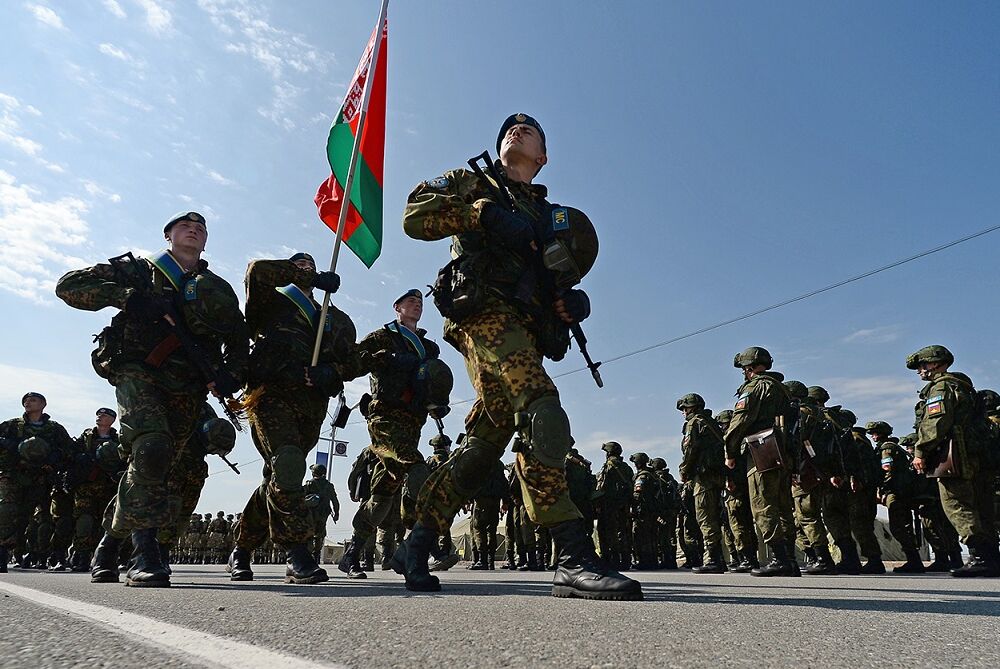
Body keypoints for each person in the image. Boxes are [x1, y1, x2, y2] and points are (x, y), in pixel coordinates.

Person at [56, 211, 248, 587]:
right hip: (139, 371)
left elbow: (237, 334)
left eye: (201, 229)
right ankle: (144, 553)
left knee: (153, 467)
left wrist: (232, 374)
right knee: (152, 447)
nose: (193, 230)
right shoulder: (141, 270)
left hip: (188, 384)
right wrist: (127, 298)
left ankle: (109, 545)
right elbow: (69, 286)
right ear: (168, 235)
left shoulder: (216, 287)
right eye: (185, 226)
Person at [229, 252, 352, 584]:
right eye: (299, 265)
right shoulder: (272, 299)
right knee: (288, 462)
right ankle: (296, 551)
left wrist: (331, 372)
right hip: (271, 393)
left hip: (310, 403)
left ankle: (241, 548)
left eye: (311, 266)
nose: (305, 268)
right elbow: (258, 271)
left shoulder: (332, 318)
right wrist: (305, 278)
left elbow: (348, 360)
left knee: (280, 475)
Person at [338, 289, 454, 579]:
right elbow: (353, 361)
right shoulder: (382, 336)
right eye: (410, 301)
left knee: (382, 497)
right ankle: (422, 549)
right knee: (416, 469)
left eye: (420, 303)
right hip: (385, 418)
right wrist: (385, 359)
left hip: (413, 421)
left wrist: (437, 402)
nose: (417, 305)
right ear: (397, 307)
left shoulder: (428, 347)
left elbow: (431, 381)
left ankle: (351, 554)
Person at [906, 346, 999, 576]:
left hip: (955, 457)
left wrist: (920, 452)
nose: (920, 370)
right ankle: (991, 558)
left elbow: (935, 424)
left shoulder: (941, 386)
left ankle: (979, 557)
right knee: (981, 505)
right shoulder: (964, 386)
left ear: (936, 363)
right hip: (973, 455)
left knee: (956, 503)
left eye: (923, 365)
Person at [724, 347, 798, 577]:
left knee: (763, 504)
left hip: (761, 450)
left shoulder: (754, 387)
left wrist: (730, 452)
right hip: (783, 453)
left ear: (748, 367)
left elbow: (739, 422)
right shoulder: (782, 388)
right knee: (783, 506)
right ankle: (790, 560)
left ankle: (780, 559)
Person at [0, 393, 74, 573]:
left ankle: (45, 554)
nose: (28, 402)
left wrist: (54, 458)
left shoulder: (54, 429)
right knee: (6, 512)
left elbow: (69, 451)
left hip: (42, 478)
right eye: (25, 400)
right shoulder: (11, 426)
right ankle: (2, 553)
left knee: (38, 519)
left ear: (43, 404)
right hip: (13, 475)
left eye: (33, 400)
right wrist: (11, 446)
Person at [68, 408, 125, 571]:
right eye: (98, 415)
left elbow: (125, 460)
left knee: (106, 522)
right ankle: (81, 556)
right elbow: (71, 456)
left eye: (104, 415)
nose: (100, 417)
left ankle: (101, 556)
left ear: (112, 420)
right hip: (86, 486)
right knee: (84, 520)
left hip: (109, 486)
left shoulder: (118, 440)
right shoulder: (86, 438)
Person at [676, 393, 728, 573]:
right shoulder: (710, 422)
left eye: (685, 408)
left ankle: (713, 559)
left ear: (693, 407)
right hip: (716, 475)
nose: (683, 412)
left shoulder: (694, 423)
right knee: (714, 516)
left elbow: (690, 449)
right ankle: (718, 558)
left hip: (704, 477)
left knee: (705, 516)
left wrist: (684, 471)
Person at [595, 441, 634, 570]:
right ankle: (626, 560)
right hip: (623, 505)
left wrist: (596, 502)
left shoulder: (608, 466)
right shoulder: (626, 467)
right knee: (623, 531)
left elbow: (601, 487)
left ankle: (611, 560)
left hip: (609, 505)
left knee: (607, 532)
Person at [303, 463, 340, 564]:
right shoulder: (329, 486)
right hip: (324, 514)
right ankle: (316, 555)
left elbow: (301, 498)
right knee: (320, 534)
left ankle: (308, 555)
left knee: (309, 534)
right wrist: (336, 513)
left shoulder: (309, 484)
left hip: (310, 513)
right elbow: (335, 501)